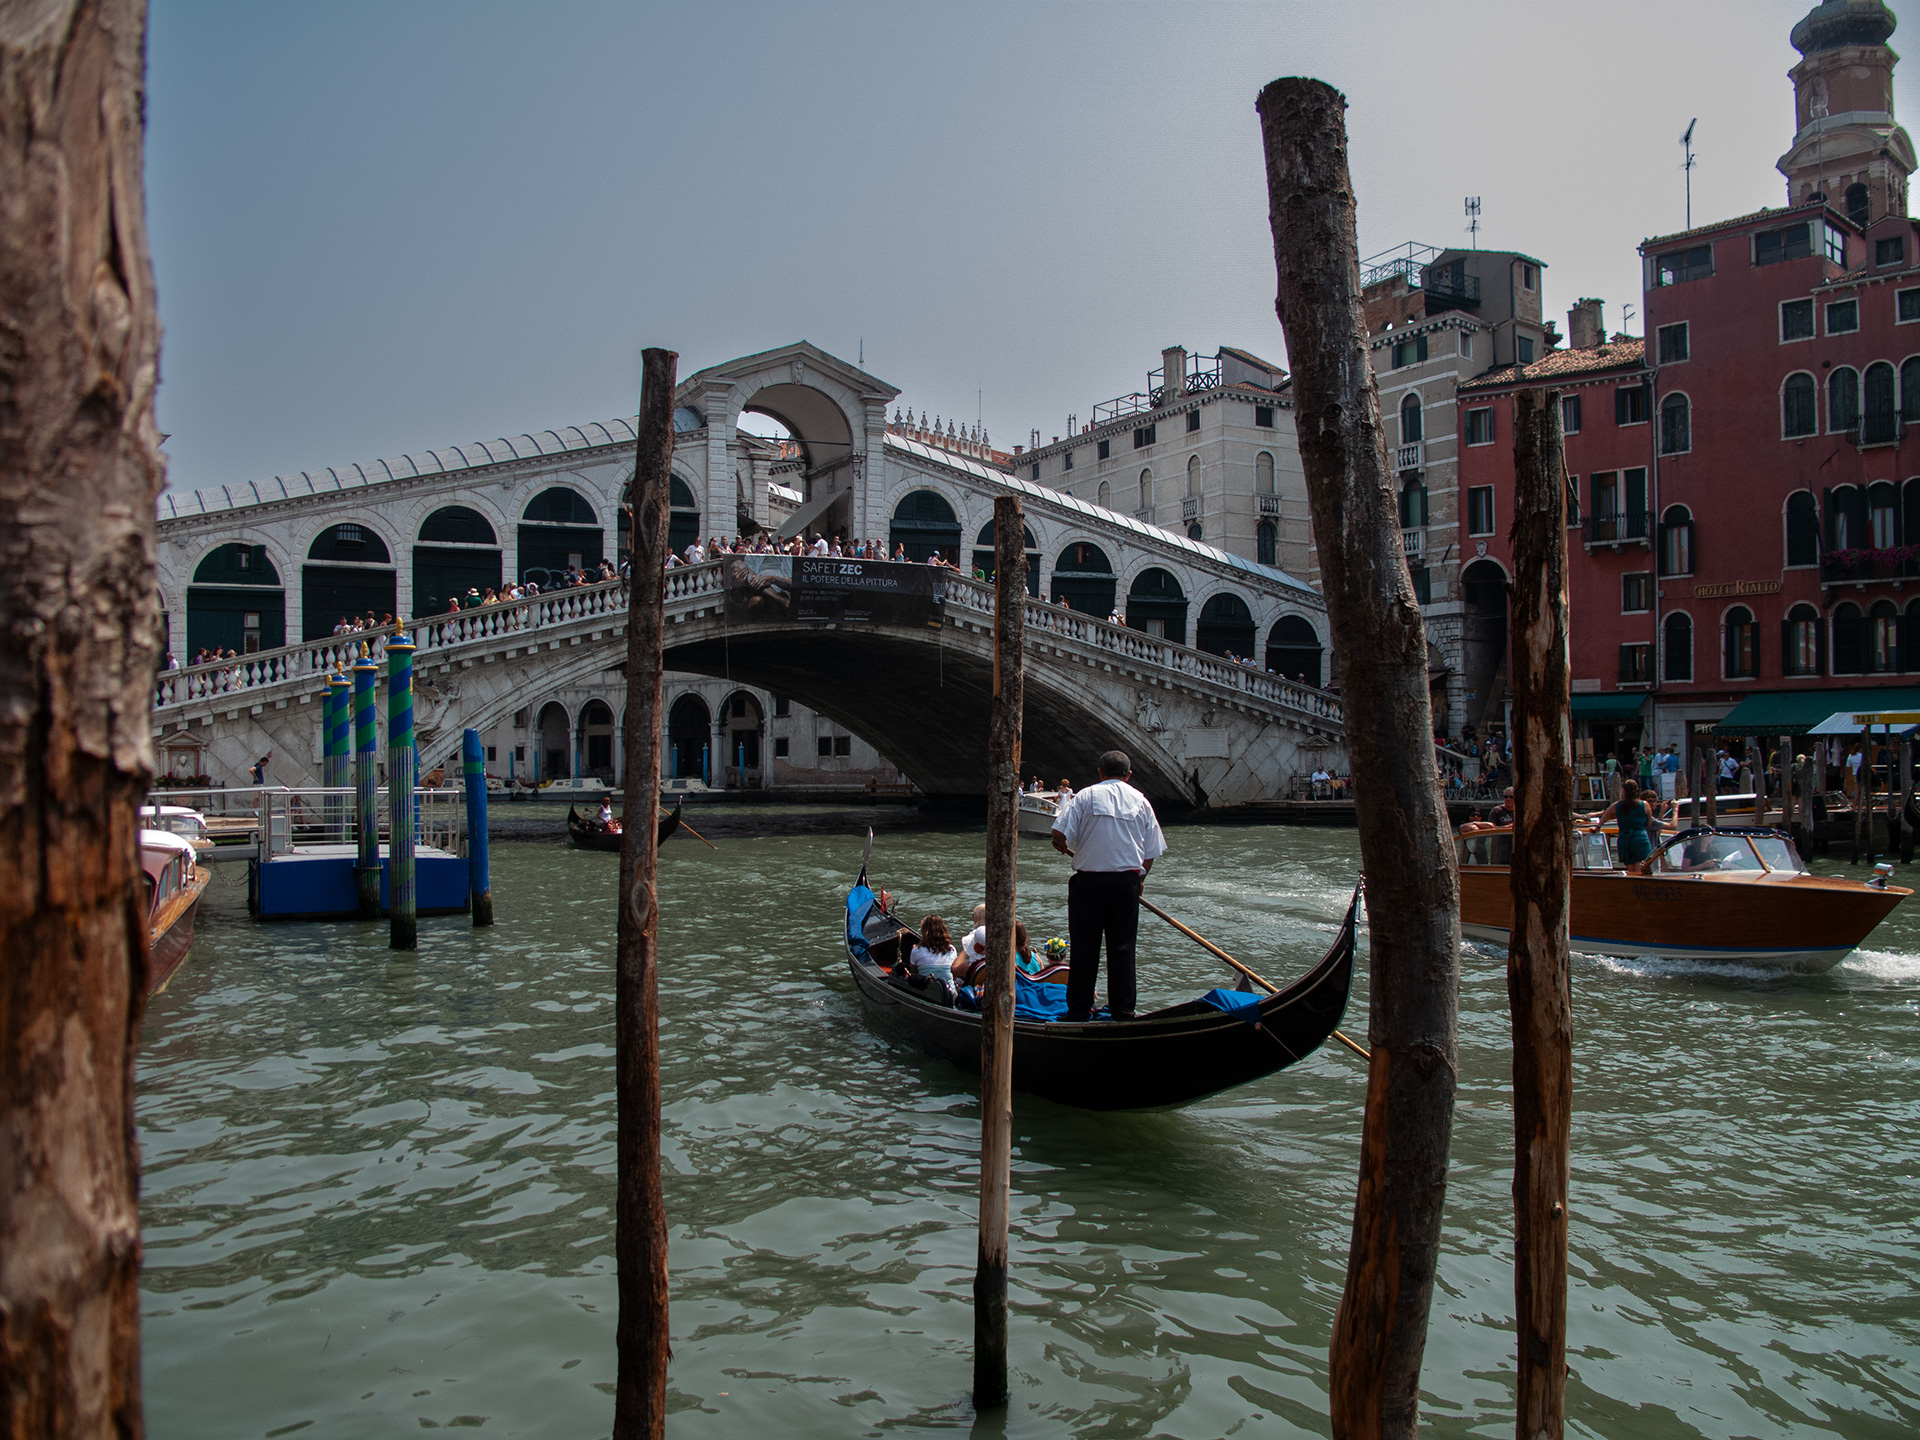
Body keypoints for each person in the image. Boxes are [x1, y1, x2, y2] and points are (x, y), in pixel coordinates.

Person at [1050, 749, 1166, 1022]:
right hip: (1126, 884)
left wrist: (1062, 844)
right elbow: (1150, 852)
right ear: (1128, 775)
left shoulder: (1086, 796)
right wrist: (1140, 880)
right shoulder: (1142, 801)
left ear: (1100, 772)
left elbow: (1058, 831)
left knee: (1084, 948)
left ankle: (1078, 1012)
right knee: (1123, 950)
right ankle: (1123, 1013)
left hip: (1089, 883)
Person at [1591, 778, 1654, 868]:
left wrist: (1598, 827)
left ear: (1623, 791)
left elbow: (1605, 816)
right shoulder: (1644, 805)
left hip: (1625, 839)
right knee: (1640, 871)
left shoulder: (1617, 806)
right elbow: (1649, 823)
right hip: (1640, 839)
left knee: (1630, 871)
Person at [908, 915, 962, 999]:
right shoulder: (952, 950)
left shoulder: (916, 950)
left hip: (926, 993)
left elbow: (914, 974)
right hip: (951, 995)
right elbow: (954, 974)